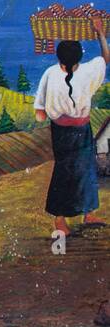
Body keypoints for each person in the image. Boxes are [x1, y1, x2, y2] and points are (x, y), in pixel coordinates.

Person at [34, 18, 108, 235]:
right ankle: (63, 220)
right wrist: (100, 33)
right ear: (79, 59)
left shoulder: (50, 73)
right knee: (80, 170)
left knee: (69, 171)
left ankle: (80, 216)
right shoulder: (88, 71)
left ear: (59, 58)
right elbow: (106, 58)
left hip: (62, 131)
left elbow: (40, 113)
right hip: (79, 130)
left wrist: (52, 111)